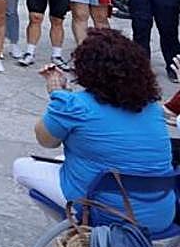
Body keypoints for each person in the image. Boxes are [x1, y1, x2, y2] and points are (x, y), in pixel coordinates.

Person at [12, 29, 173, 233]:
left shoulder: (74, 105)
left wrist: (57, 96)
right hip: (160, 215)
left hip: (104, 212)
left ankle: (77, 231)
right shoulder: (152, 108)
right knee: (70, 159)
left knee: (22, 167)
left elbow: (46, 140)